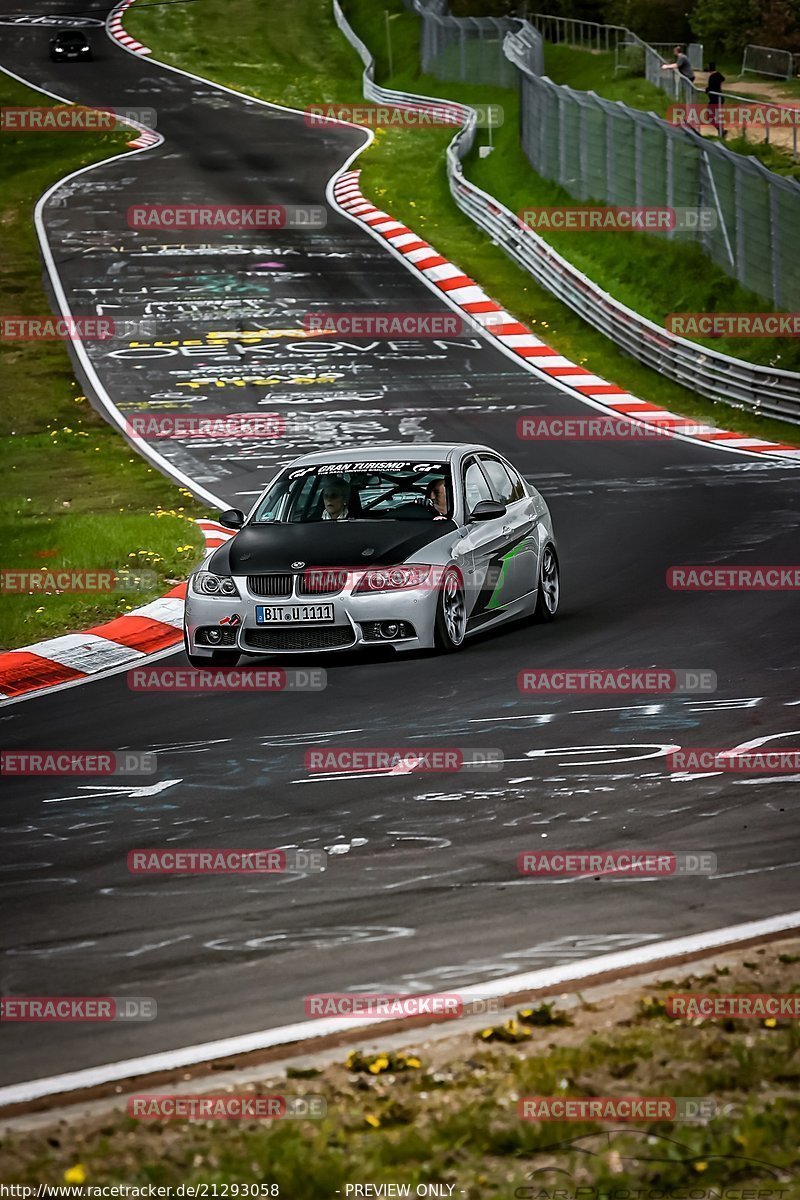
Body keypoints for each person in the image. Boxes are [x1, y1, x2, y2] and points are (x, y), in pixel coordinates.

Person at [706, 62, 726, 138]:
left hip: (715, 100)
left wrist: (707, 89)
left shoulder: (712, 77)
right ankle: (721, 131)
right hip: (719, 98)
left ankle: (720, 130)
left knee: (709, 116)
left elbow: (711, 87)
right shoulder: (718, 75)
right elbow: (723, 79)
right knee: (717, 116)